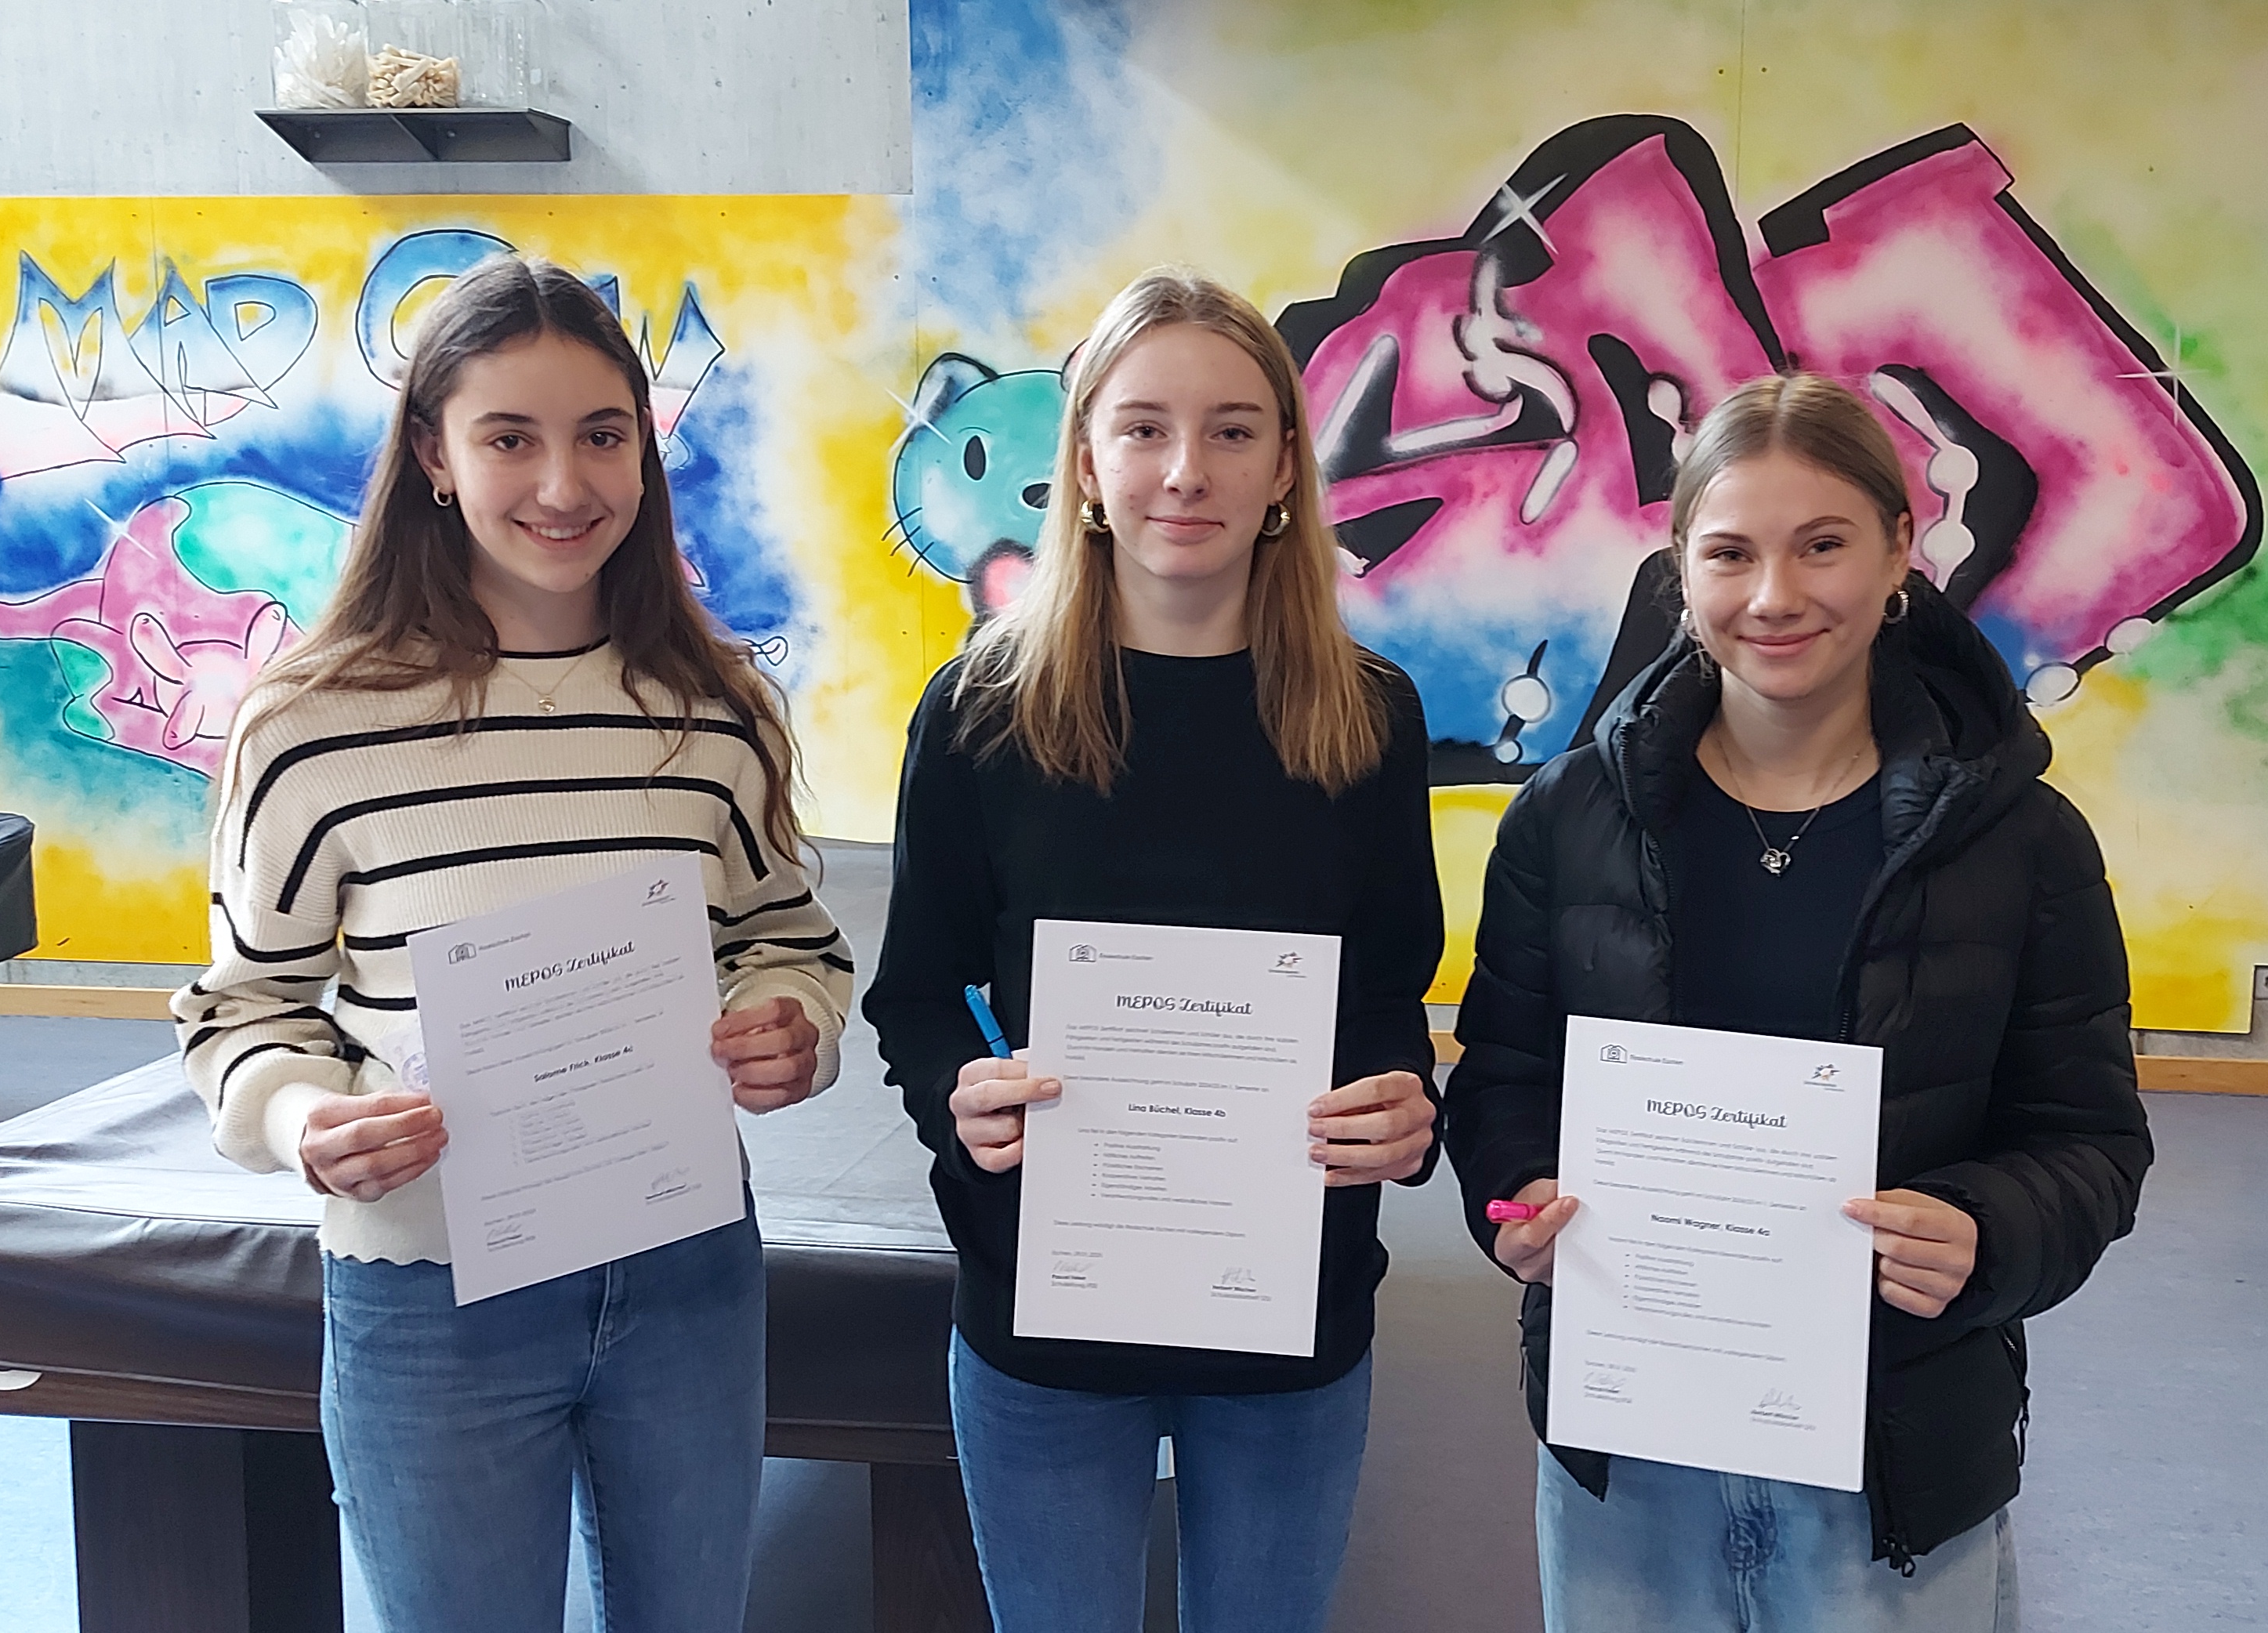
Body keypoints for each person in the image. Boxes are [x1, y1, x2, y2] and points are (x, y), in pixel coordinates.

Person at [174, 256, 849, 1633]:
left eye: (602, 435)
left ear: (644, 449)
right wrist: (303, 1121)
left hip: (685, 1268)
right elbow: (242, 1006)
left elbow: (786, 938)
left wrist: (796, 1027)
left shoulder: (717, 709)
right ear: (433, 453)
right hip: (431, 1292)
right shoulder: (310, 723)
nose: (563, 483)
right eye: (508, 439)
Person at [1442, 371, 2150, 1631]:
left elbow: (2090, 1143)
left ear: (1899, 550)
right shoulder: (1568, 819)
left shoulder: (2021, 839)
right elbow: (1502, 1080)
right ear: (1680, 567)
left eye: (1822, 545)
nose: (1774, 596)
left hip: (1893, 1459)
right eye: (1731, 553)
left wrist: (1983, 1232)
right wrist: (1519, 1198)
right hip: (1633, 1454)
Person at [867, 268, 1442, 1633]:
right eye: (1143, 428)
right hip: (1047, 1308)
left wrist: (1404, 1111)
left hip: (1287, 1307)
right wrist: (960, 1097)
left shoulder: (1368, 716)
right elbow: (915, 1000)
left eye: (1233, 430)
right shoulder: (982, 711)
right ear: (1084, 461)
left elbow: (1388, 998)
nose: (1187, 470)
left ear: (1286, 466)